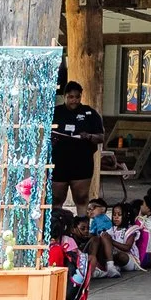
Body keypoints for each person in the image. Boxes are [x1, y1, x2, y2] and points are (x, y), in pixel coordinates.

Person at [49, 81, 104, 213]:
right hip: (59, 162)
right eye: (71, 97)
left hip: (81, 163)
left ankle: (82, 228)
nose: (74, 100)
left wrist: (89, 136)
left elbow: (101, 137)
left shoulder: (89, 113)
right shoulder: (55, 112)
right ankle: (57, 228)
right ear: (64, 96)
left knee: (81, 198)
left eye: (77, 97)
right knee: (56, 199)